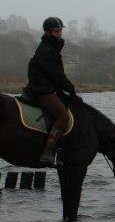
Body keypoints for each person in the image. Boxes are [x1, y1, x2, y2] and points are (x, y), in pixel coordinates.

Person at [23, 16, 80, 167]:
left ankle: (61, 150)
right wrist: (72, 90)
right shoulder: (48, 50)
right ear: (48, 32)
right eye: (56, 31)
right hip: (42, 90)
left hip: (45, 87)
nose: (60, 34)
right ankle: (48, 151)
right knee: (63, 117)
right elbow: (58, 76)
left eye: (60, 31)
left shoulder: (49, 47)